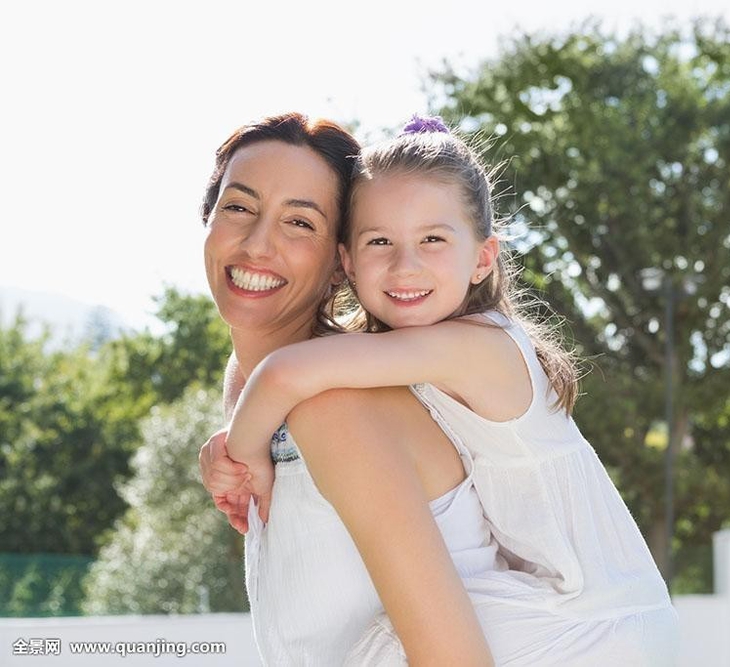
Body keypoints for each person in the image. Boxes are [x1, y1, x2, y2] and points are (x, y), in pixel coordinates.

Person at [224, 114, 680, 665]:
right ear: (348, 261)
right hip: (556, 605)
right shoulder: (409, 350)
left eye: (433, 239)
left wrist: (239, 453)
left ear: (483, 258)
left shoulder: (477, 346)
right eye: (379, 241)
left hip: (589, 618)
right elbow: (264, 367)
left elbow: (282, 373)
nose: (405, 265)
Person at [198, 111, 497, 666]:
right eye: (238, 207)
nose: (258, 245)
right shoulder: (249, 386)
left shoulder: (337, 408)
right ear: (208, 221)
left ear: (343, 263)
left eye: (300, 222)